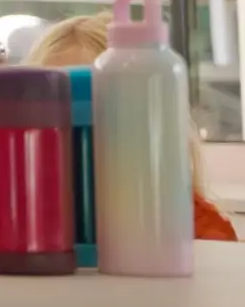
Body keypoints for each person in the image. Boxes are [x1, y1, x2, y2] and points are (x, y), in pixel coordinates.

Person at [24, 14, 240, 242]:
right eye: (55, 111)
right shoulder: (26, 217)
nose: (79, 137)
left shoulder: (196, 226)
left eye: (105, 111)